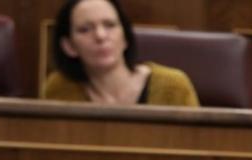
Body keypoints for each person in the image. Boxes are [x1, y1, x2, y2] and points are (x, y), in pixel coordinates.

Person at [43, 0, 199, 106]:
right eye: (85, 29)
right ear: (69, 46)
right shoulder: (59, 88)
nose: (100, 36)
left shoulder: (174, 87)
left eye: (109, 25)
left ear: (125, 37)